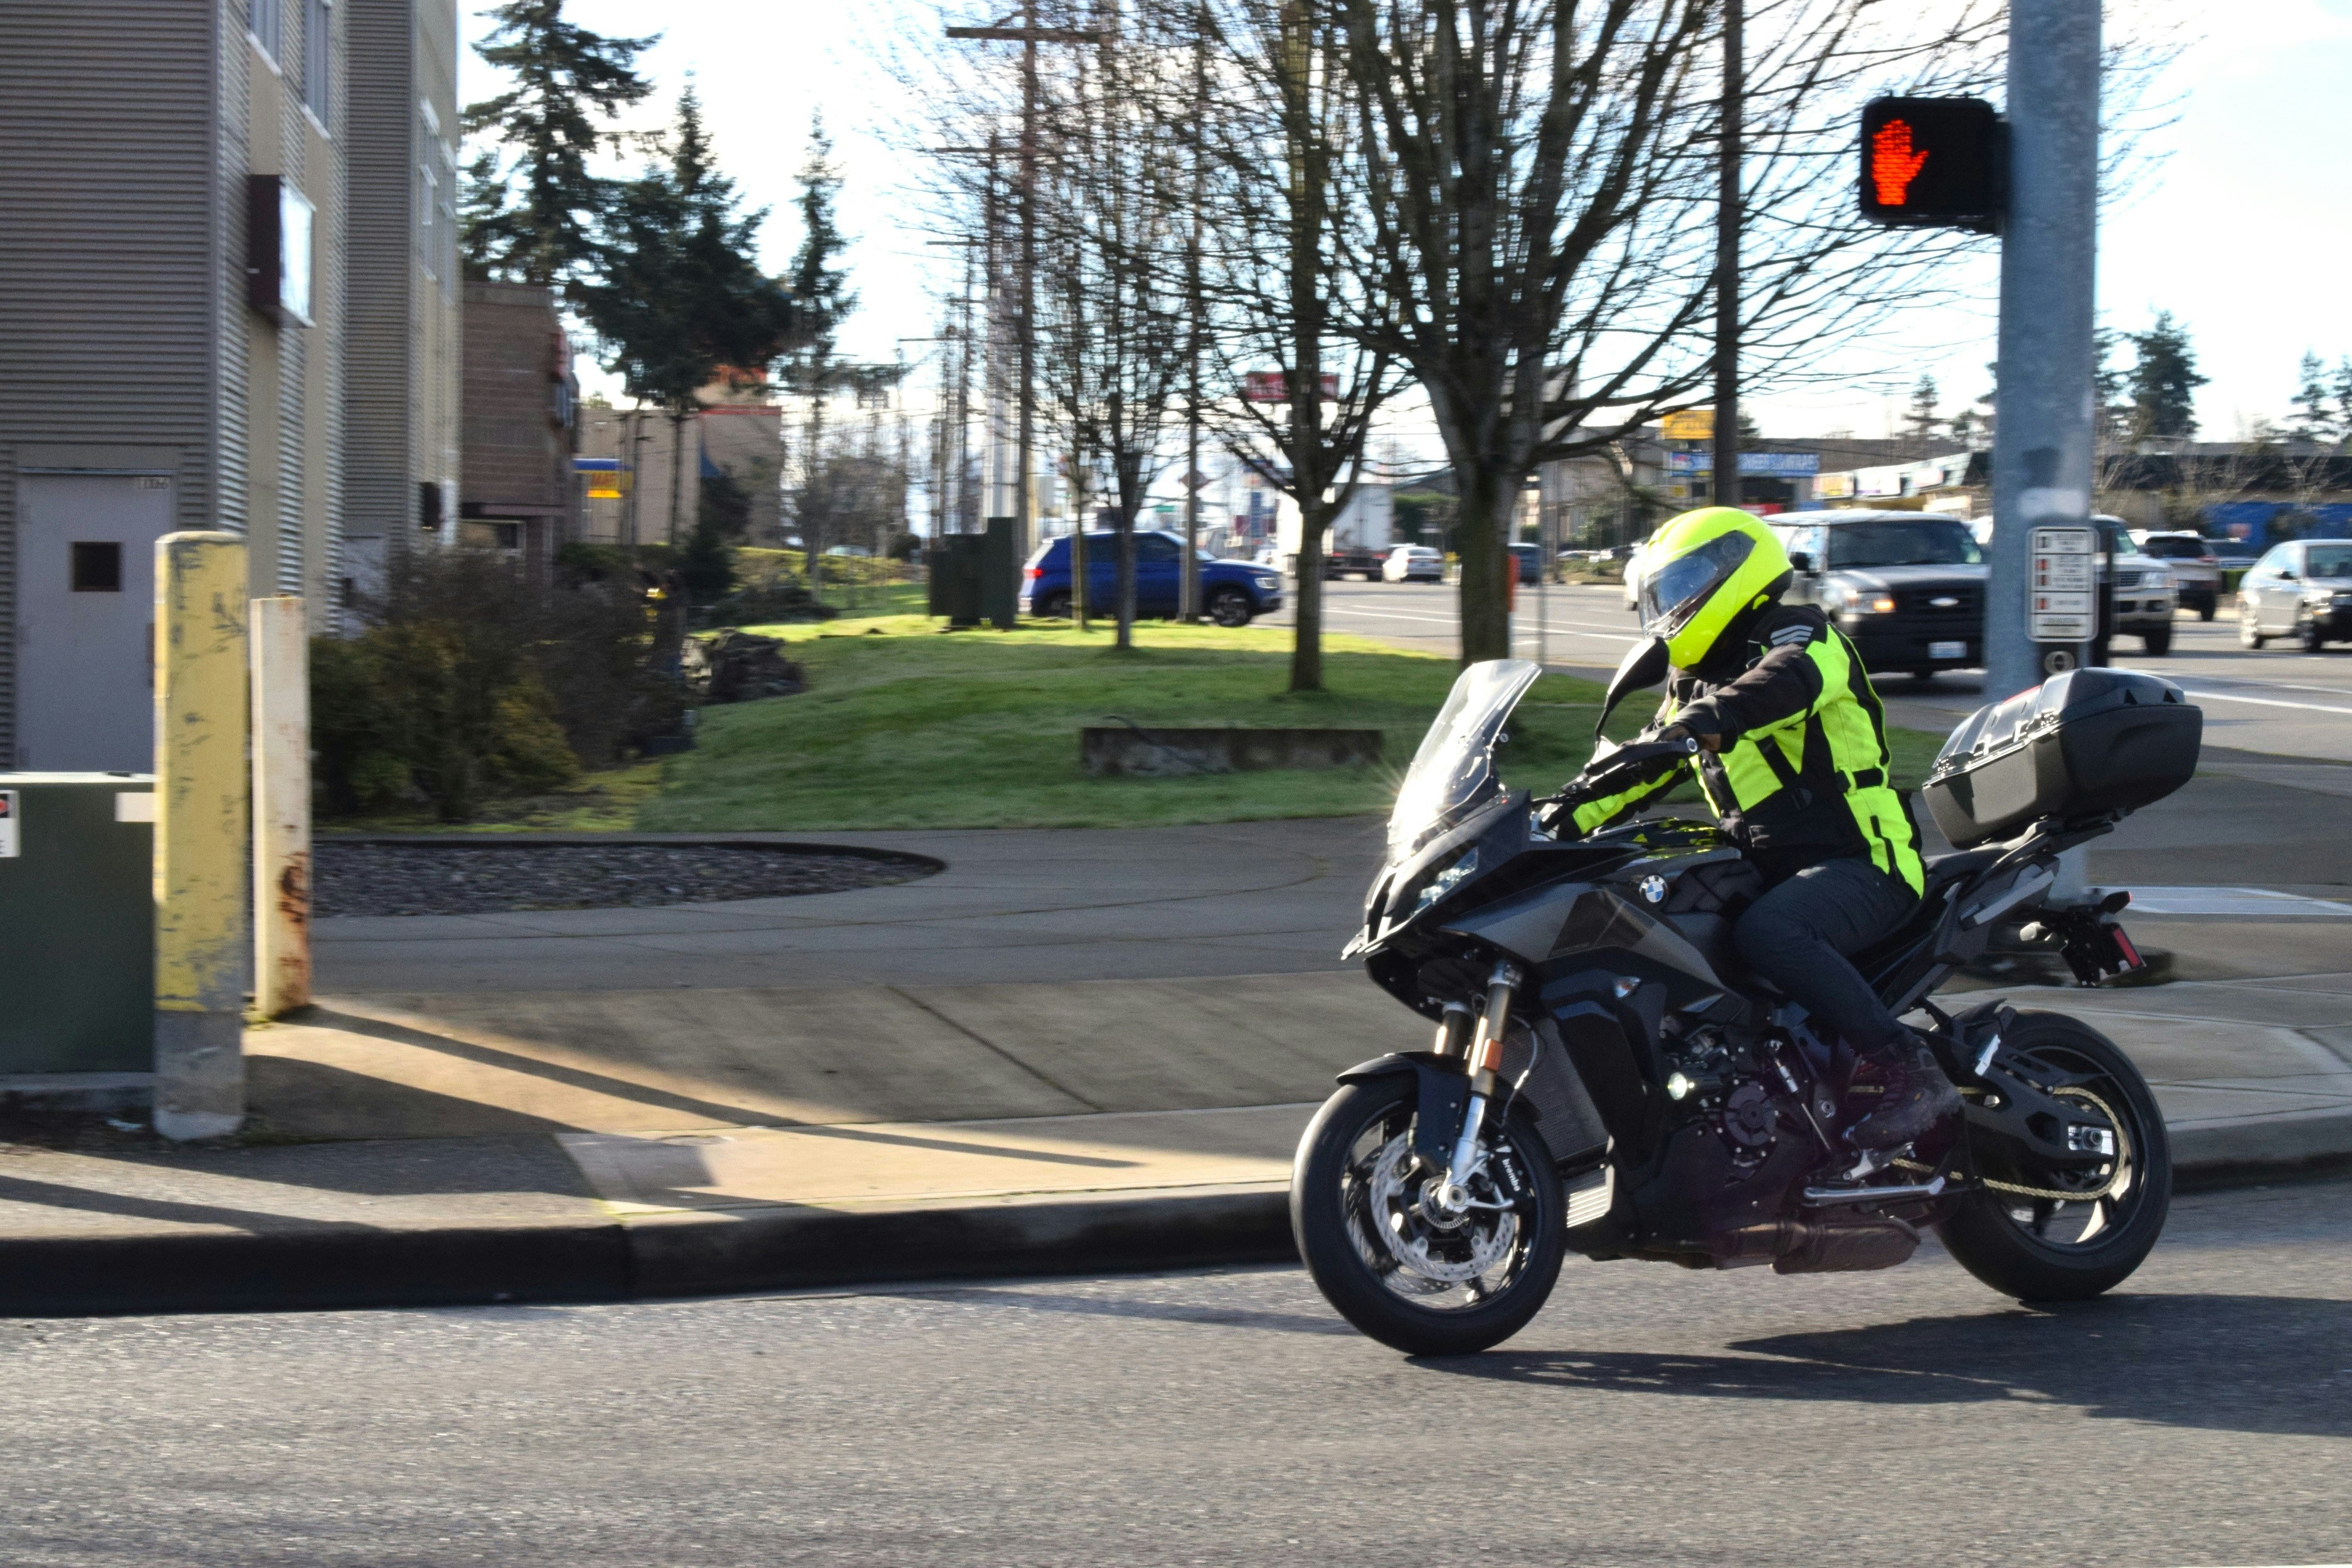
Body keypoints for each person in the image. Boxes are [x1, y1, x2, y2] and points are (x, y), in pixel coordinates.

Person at [1562, 506, 1959, 1150]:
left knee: (1770, 932)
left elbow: (1784, 682)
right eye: (1663, 593)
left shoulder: (1802, 637)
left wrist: (1701, 722)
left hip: (1866, 863)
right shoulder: (1692, 684)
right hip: (1770, 871)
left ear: (1736, 571)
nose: (1672, 606)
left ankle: (1907, 1070)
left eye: (1685, 585)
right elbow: (1642, 769)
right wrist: (1555, 816)